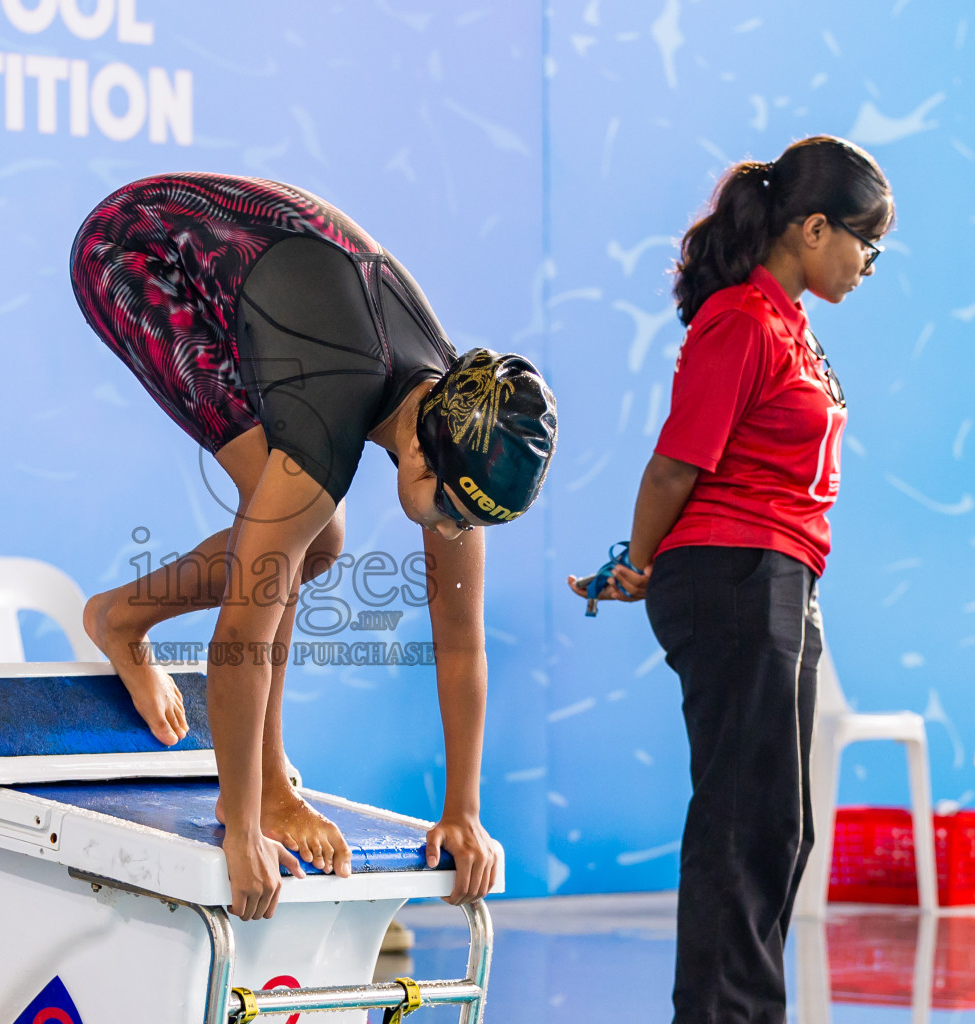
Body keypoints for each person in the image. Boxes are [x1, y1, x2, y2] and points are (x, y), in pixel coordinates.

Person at [70, 173, 558, 921]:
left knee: (307, 533)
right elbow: (240, 632)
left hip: (255, 282)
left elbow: (461, 640)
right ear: (425, 457)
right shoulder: (338, 399)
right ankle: (251, 772)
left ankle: (119, 617)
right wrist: (246, 815)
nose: (453, 534)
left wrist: (464, 808)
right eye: (454, 515)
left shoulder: (457, 414)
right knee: (303, 535)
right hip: (134, 250)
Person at [570, 135, 892, 1022]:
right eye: (865, 241)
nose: (870, 263)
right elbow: (676, 465)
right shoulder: (741, 319)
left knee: (782, 828)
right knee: (745, 820)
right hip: (735, 573)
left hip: (781, 575)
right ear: (813, 227)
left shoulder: (791, 322)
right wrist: (638, 563)